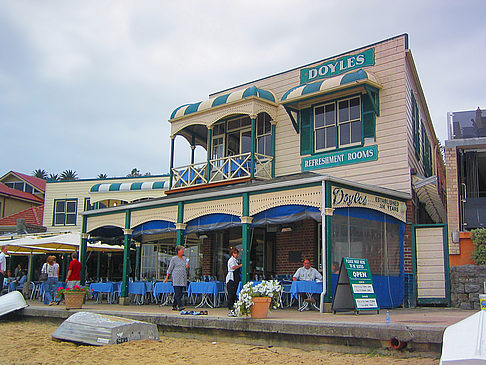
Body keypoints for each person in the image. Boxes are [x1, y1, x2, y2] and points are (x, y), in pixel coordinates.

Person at [164, 245, 189, 311]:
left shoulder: (184, 258)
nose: (183, 251)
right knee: (177, 292)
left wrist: (187, 266)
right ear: (178, 251)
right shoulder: (174, 259)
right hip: (176, 277)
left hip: (182, 277)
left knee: (180, 293)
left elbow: (186, 266)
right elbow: (170, 268)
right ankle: (180, 305)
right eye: (181, 250)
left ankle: (174, 305)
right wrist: (167, 277)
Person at [226, 248, 242, 317]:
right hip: (232, 277)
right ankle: (230, 308)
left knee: (234, 292)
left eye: (237, 253)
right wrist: (240, 266)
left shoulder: (235, 260)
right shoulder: (231, 260)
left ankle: (233, 307)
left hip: (235, 277)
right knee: (231, 293)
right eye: (235, 253)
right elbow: (233, 267)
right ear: (232, 254)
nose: (237, 255)